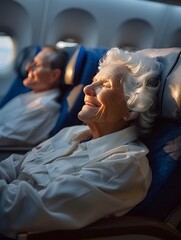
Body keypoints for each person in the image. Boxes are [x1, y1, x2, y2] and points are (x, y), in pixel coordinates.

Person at [0, 47, 162, 239]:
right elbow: (13, 165)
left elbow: (16, 212)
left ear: (132, 109)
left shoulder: (123, 166)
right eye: (94, 81)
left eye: (105, 85)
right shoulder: (73, 133)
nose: (87, 89)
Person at [0, 46, 68, 146]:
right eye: (32, 62)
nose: (27, 68)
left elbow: (4, 138)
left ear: (54, 75)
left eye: (37, 65)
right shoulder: (33, 94)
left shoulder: (44, 107)